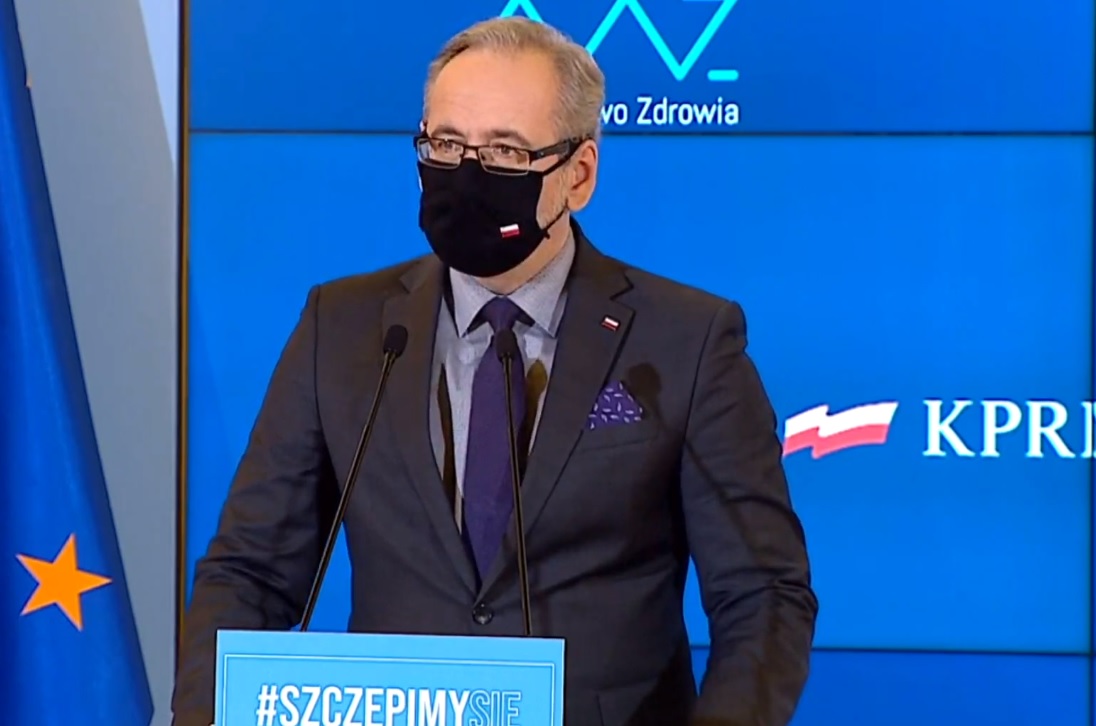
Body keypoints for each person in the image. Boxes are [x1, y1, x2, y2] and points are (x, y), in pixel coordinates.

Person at [172, 16, 817, 726]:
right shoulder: (345, 327)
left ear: (578, 175)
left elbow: (763, 594)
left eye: (506, 152)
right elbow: (251, 574)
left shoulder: (686, 341)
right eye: (446, 144)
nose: (467, 176)